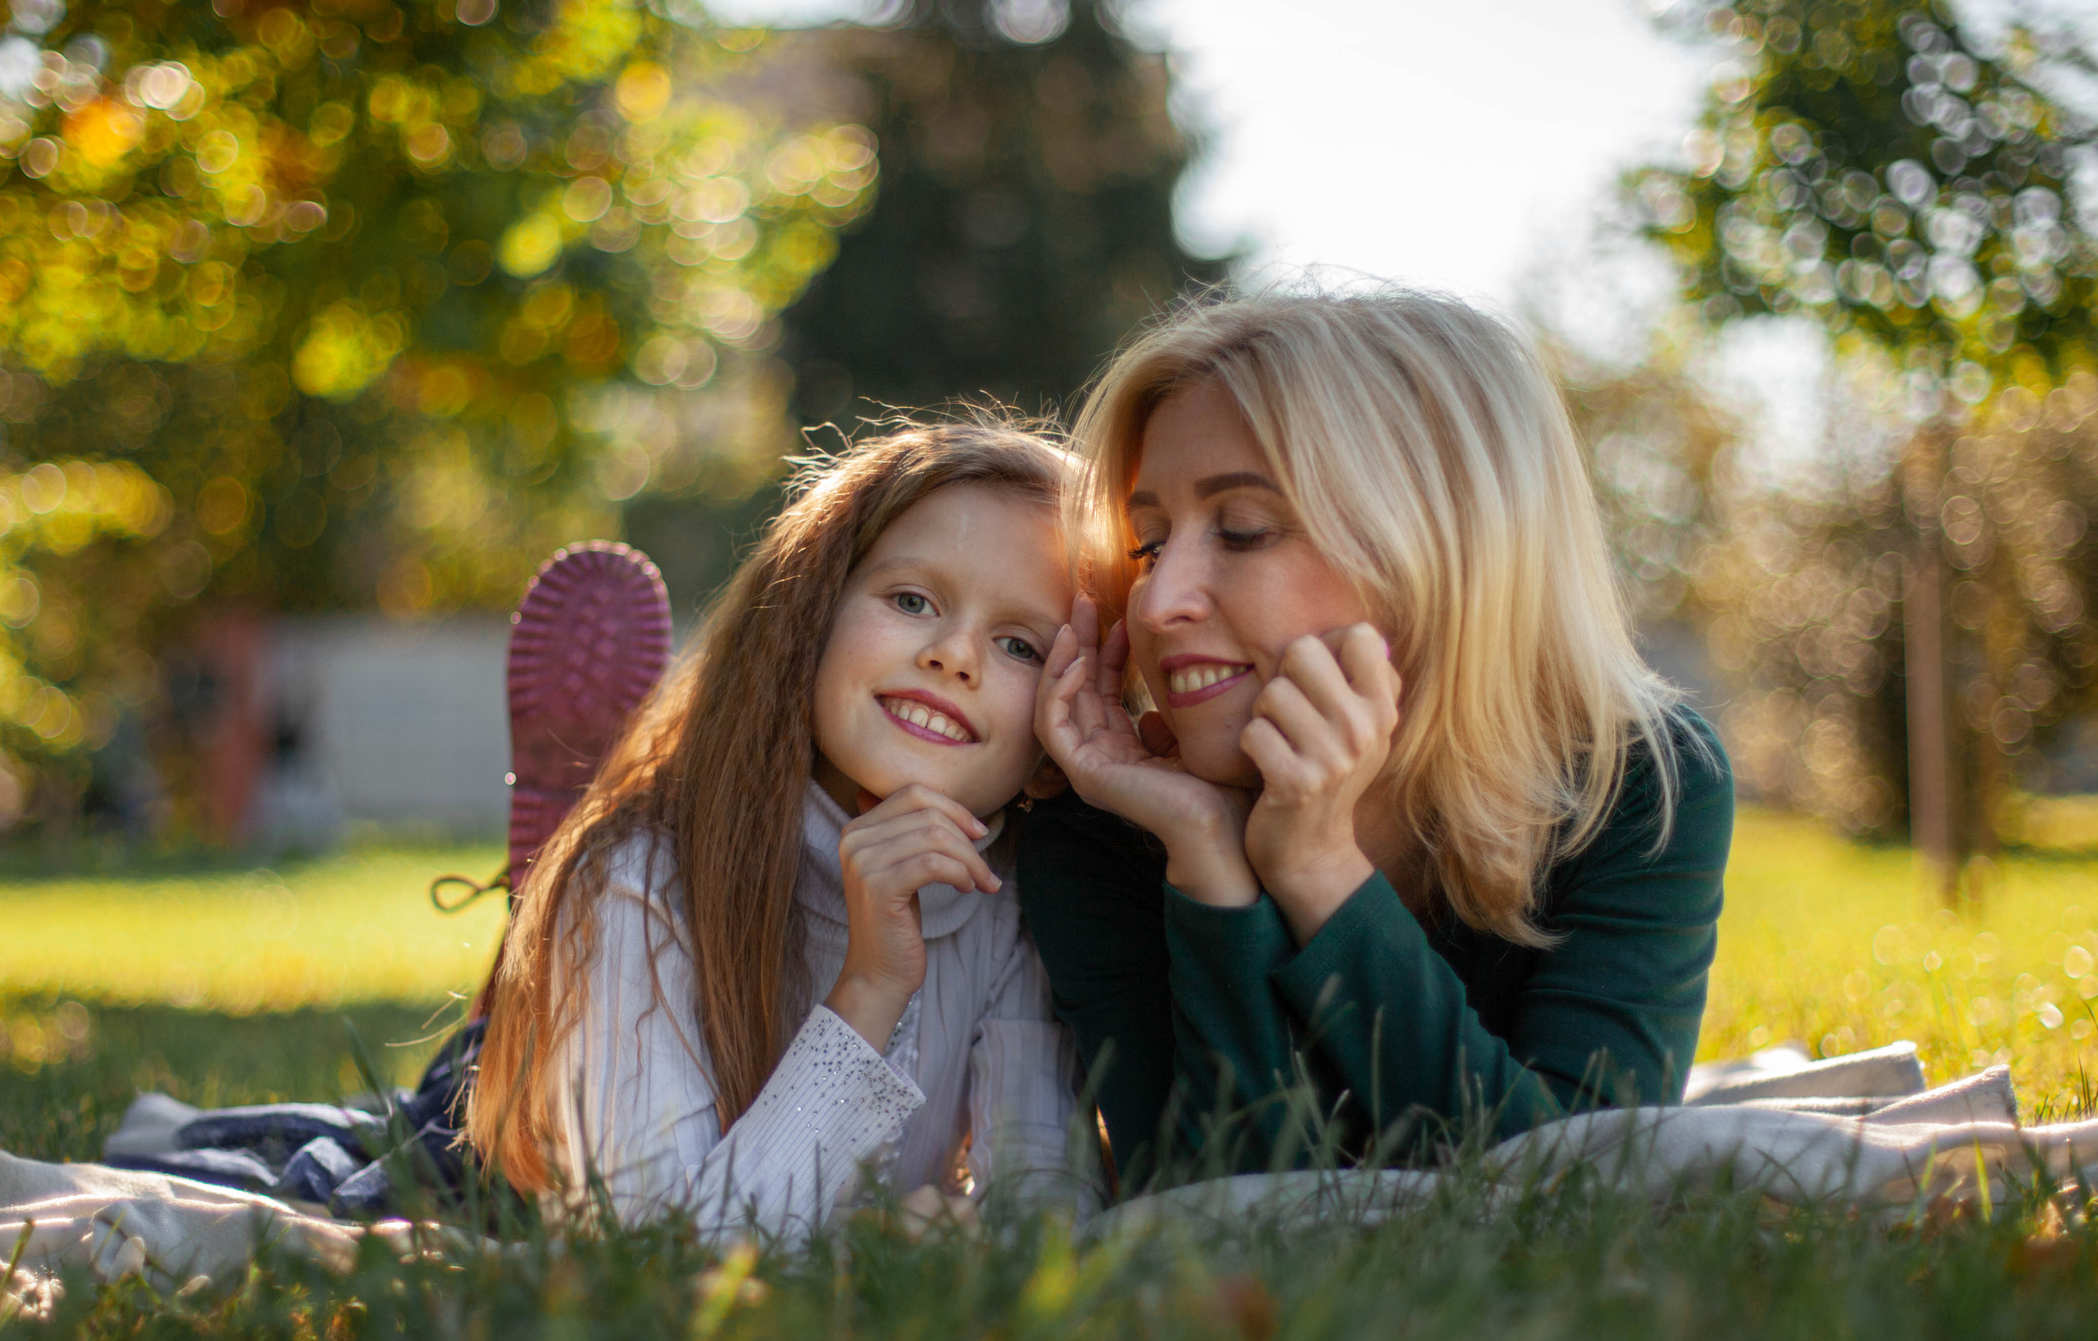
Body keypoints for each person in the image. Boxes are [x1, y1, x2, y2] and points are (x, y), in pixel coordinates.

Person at [1024, 283, 1734, 1188]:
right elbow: (1211, 1208)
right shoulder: (1102, 828)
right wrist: (1207, 859)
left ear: (1442, 554)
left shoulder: (1642, 784)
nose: (1160, 603)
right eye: (1150, 544)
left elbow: (1576, 1190)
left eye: (1242, 530)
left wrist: (1319, 869)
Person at [468, 421, 1092, 1240]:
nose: (955, 654)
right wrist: (870, 985)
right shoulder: (640, 880)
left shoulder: (1014, 899)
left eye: (1020, 645)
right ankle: (538, 886)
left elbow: (1045, 1222)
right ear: (808, 620)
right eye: (912, 601)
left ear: (1056, 741)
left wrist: (939, 1243)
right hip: (512, 1170)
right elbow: (657, 1261)